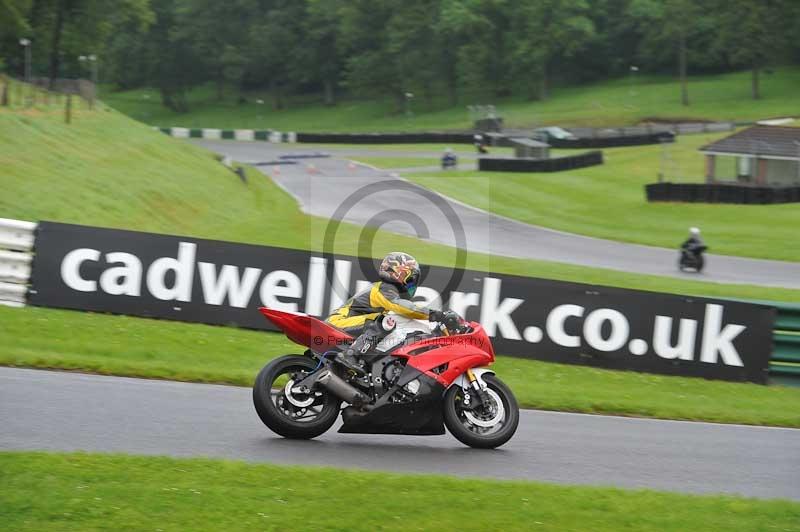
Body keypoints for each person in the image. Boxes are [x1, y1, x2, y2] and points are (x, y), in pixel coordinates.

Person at [326, 252, 444, 372]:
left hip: (347, 324)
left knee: (392, 321)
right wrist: (433, 314)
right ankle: (350, 355)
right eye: (409, 276)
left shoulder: (386, 288)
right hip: (338, 323)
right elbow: (405, 308)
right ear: (398, 271)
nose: (411, 281)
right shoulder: (385, 288)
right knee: (384, 321)